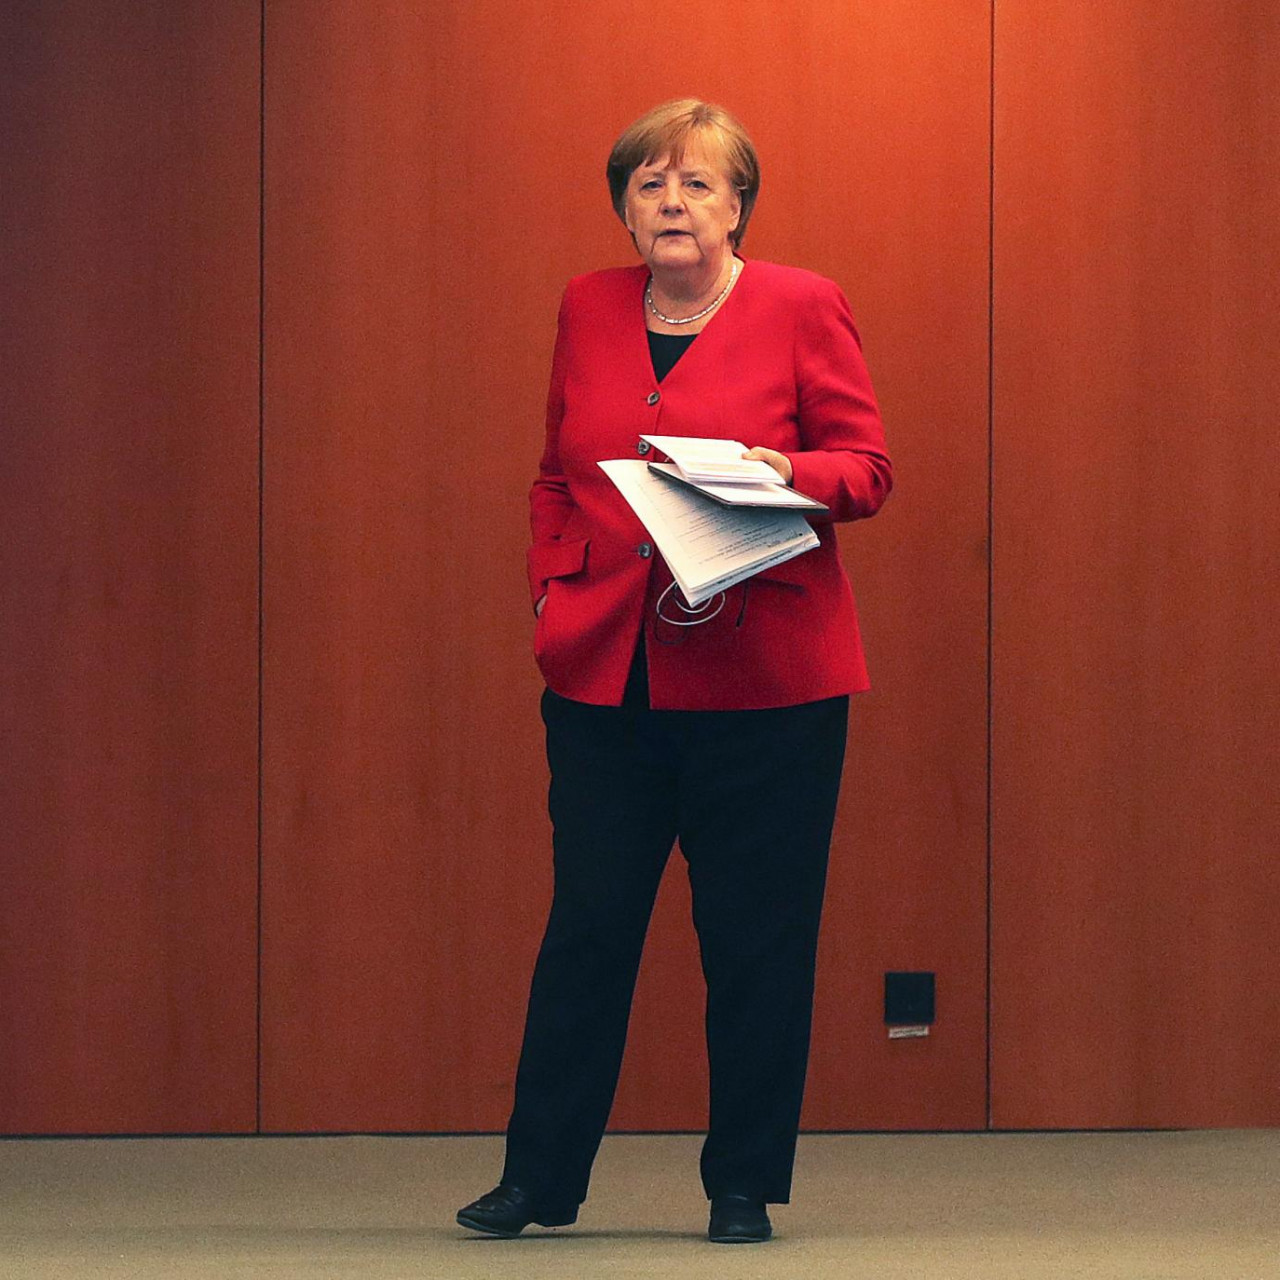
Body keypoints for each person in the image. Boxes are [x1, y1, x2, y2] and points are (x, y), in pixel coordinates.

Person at [457, 99, 892, 1245]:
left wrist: (782, 469)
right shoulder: (587, 304)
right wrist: (551, 587)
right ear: (622, 207)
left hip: (769, 688)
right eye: (648, 184)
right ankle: (537, 1179)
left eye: (696, 183)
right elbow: (553, 472)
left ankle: (740, 1185)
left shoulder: (801, 304)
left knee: (755, 941)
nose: (671, 203)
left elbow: (865, 467)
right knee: (587, 928)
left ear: (737, 205)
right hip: (607, 675)